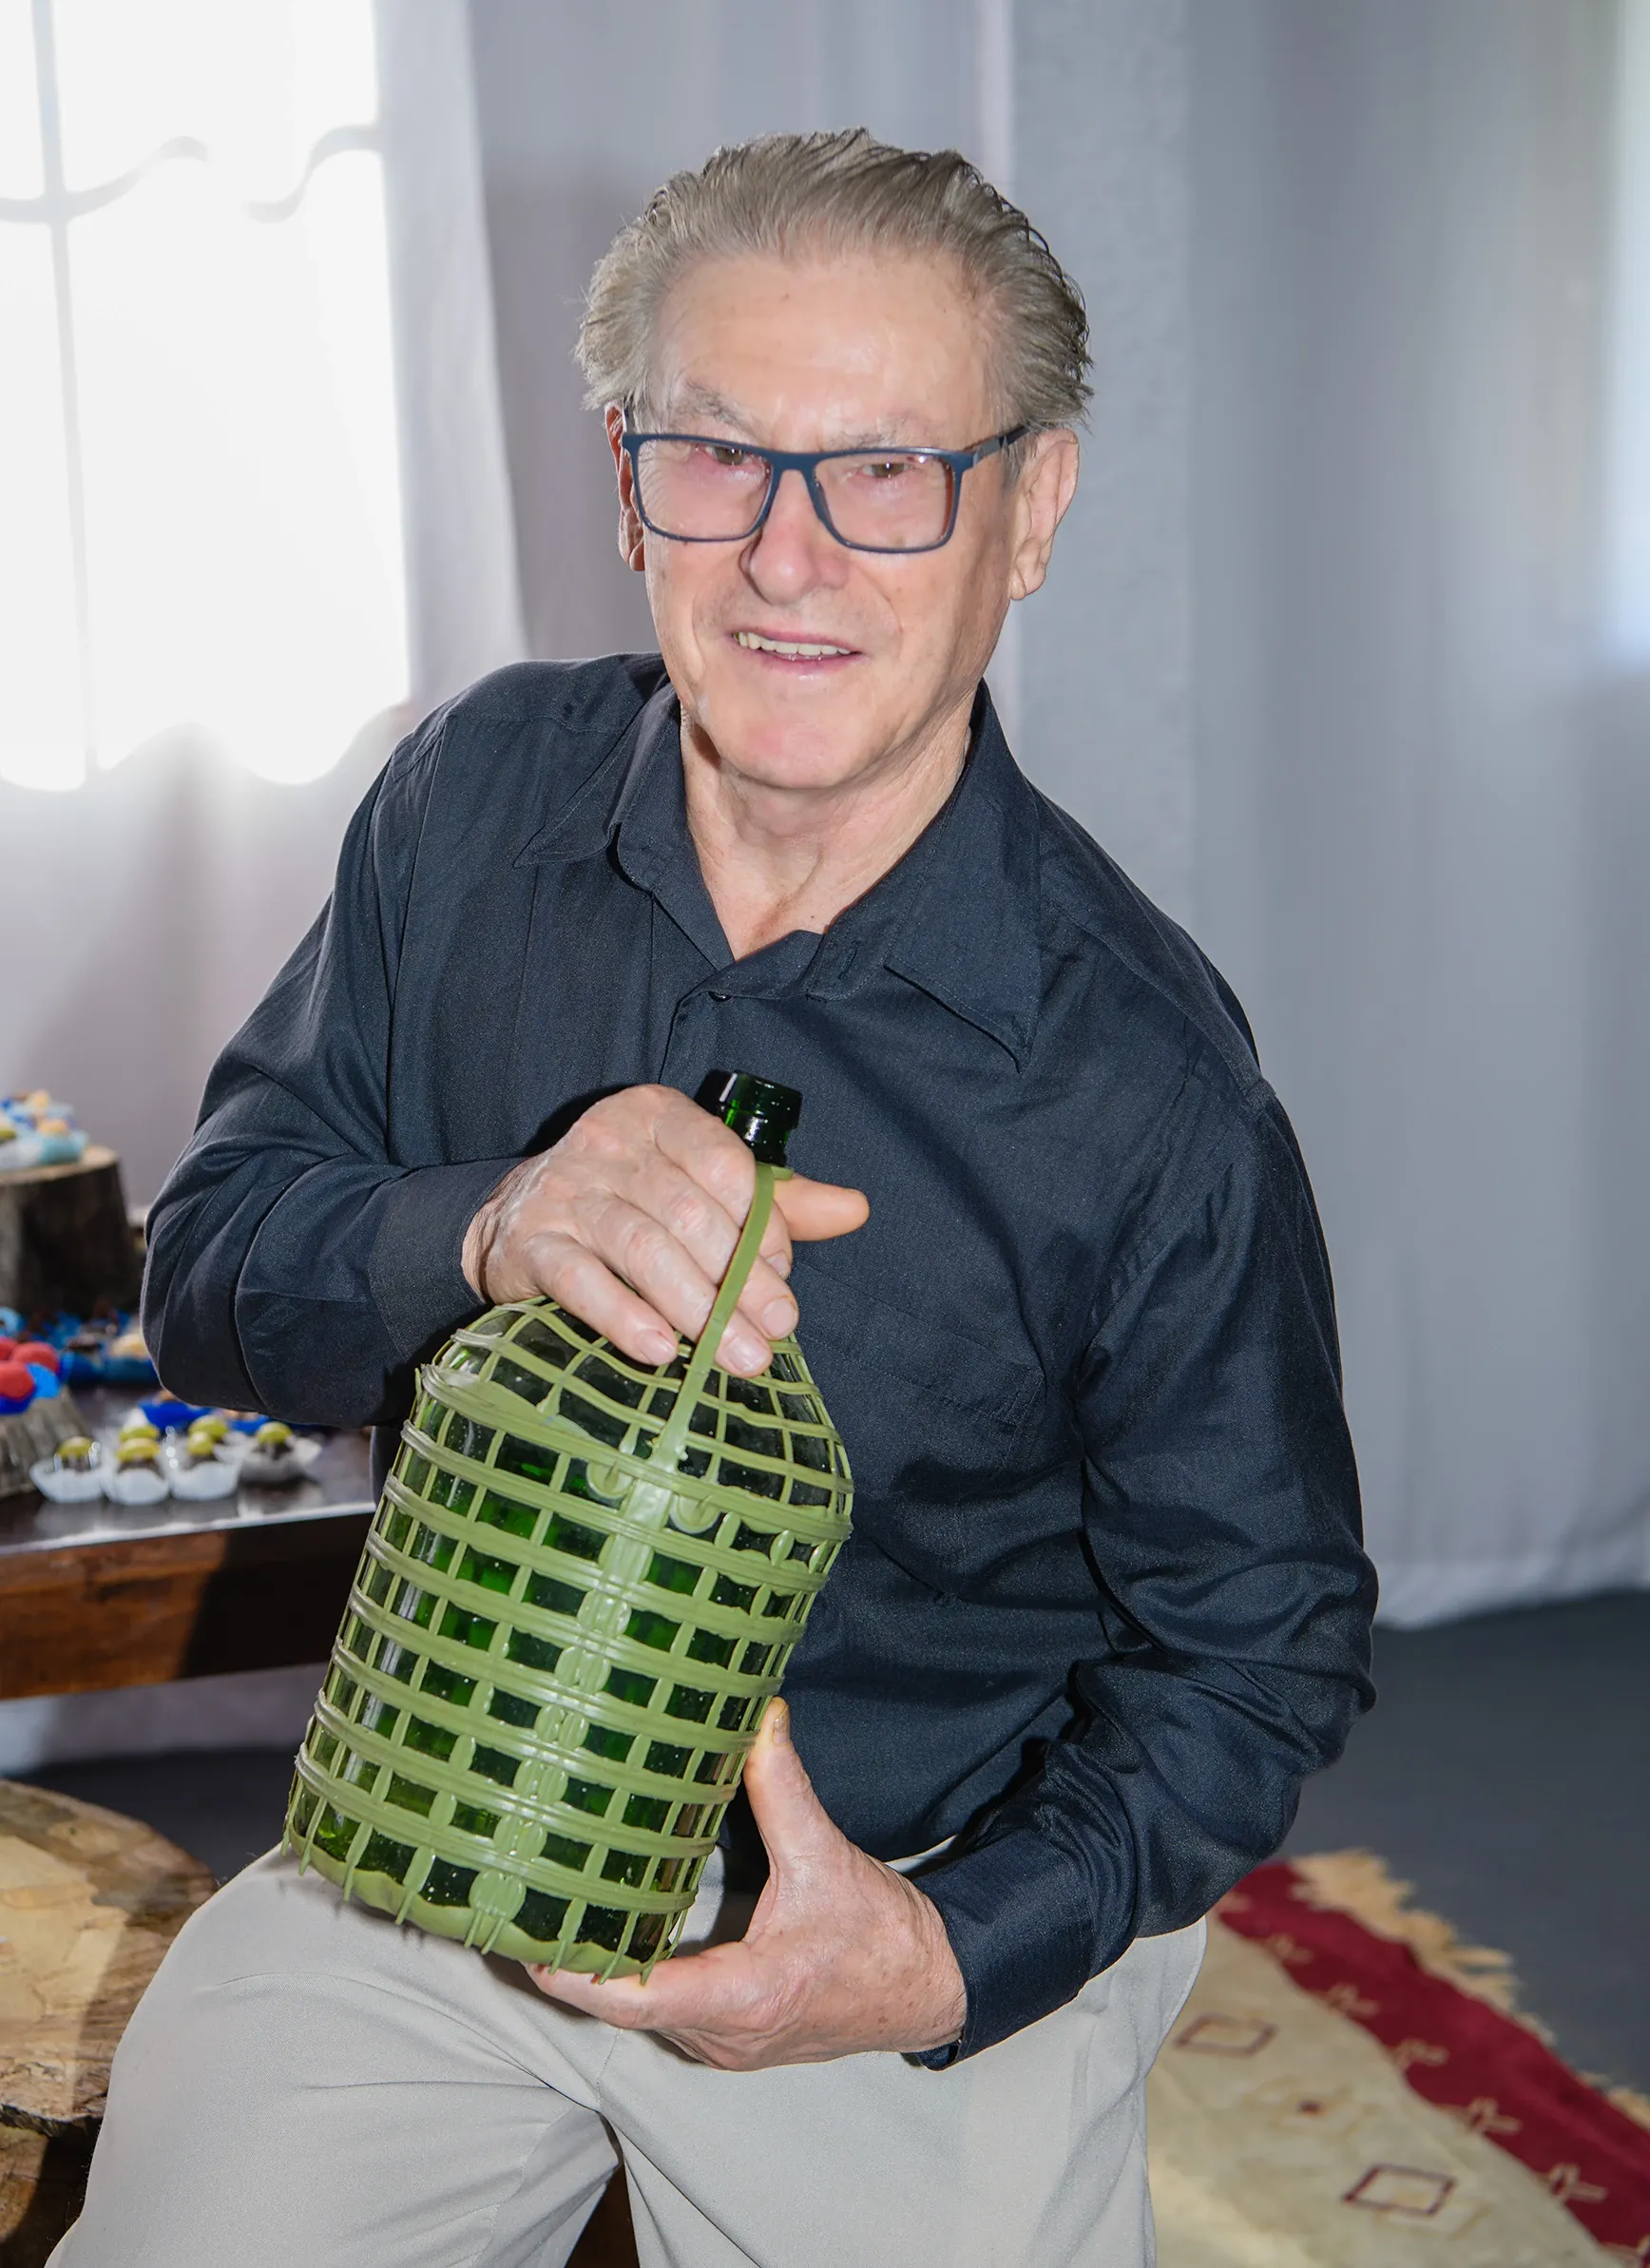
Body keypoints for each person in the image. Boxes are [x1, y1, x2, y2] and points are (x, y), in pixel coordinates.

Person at [54, 131, 1373, 2268]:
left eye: (884, 472)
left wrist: (944, 1955)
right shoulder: (467, 800)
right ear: (620, 477)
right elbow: (208, 1279)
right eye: (718, 458)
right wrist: (480, 1227)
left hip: (905, 1893)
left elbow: (1264, 1647)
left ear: (1027, 509)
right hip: (443, 1841)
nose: (787, 557)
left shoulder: (1148, 1084)